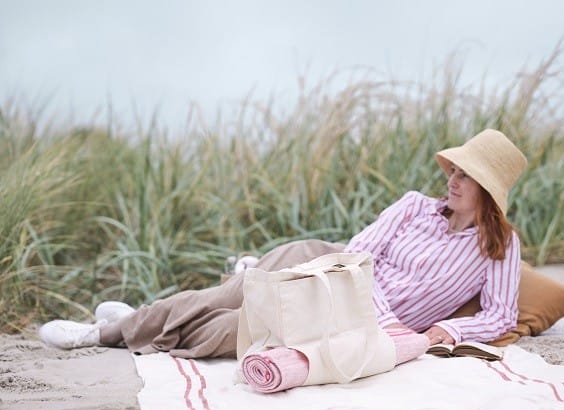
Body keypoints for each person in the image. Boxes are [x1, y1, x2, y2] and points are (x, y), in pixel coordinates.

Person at [39, 128, 527, 357]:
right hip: (330, 267)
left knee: (238, 332)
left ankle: (135, 321)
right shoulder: (414, 205)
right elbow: (359, 253)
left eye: (468, 175)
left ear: (490, 191)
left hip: (348, 315)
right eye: (455, 170)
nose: (453, 180)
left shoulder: (501, 247)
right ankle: (101, 334)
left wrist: (449, 331)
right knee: (228, 295)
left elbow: (501, 315)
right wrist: (390, 319)